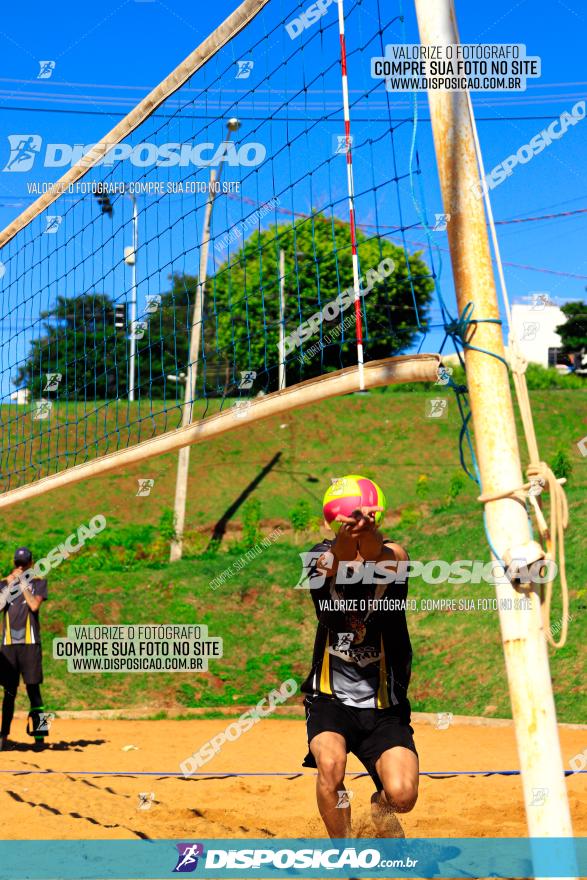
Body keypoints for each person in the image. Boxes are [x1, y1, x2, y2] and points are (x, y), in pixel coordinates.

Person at [300, 490, 418, 838]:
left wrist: (366, 530)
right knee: (331, 766)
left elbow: (382, 555)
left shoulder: (393, 557)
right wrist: (347, 534)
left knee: (403, 795)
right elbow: (334, 562)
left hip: (385, 708)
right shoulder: (321, 558)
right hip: (330, 701)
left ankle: (380, 810)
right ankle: (345, 852)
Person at [0, 548, 49, 750]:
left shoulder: (38, 582)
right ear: (14, 563)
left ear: (30, 564)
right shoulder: (4, 584)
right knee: (9, 693)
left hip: (30, 643)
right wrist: (11, 583)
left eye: (23, 564)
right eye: (17, 564)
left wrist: (23, 584)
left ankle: (40, 736)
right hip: (9, 646)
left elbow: (34, 606)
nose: (20, 567)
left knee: (34, 691)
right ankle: (3, 736)